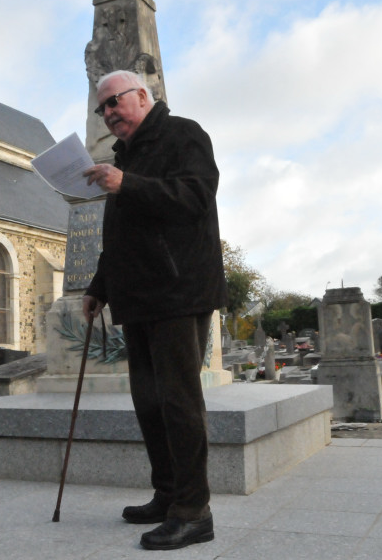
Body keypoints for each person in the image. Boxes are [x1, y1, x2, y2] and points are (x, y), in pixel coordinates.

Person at [82, 70, 227, 551]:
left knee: (179, 402)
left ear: (143, 96)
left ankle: (194, 512)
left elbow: (196, 197)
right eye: (102, 108)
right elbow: (120, 234)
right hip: (137, 296)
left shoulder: (184, 134)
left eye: (114, 102)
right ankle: (167, 496)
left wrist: (128, 183)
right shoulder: (124, 156)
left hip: (179, 290)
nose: (107, 113)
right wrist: (99, 286)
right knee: (149, 403)